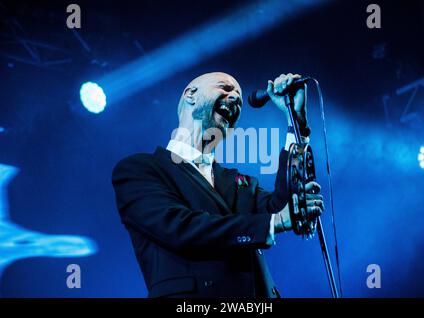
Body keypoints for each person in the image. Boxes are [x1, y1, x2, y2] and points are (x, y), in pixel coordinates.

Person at [112, 72, 324, 298]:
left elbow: (286, 207)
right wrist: (275, 221)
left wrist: (297, 123)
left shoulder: (238, 182)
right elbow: (179, 228)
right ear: (190, 95)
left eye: (240, 100)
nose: (235, 99)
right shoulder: (140, 169)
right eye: (225, 88)